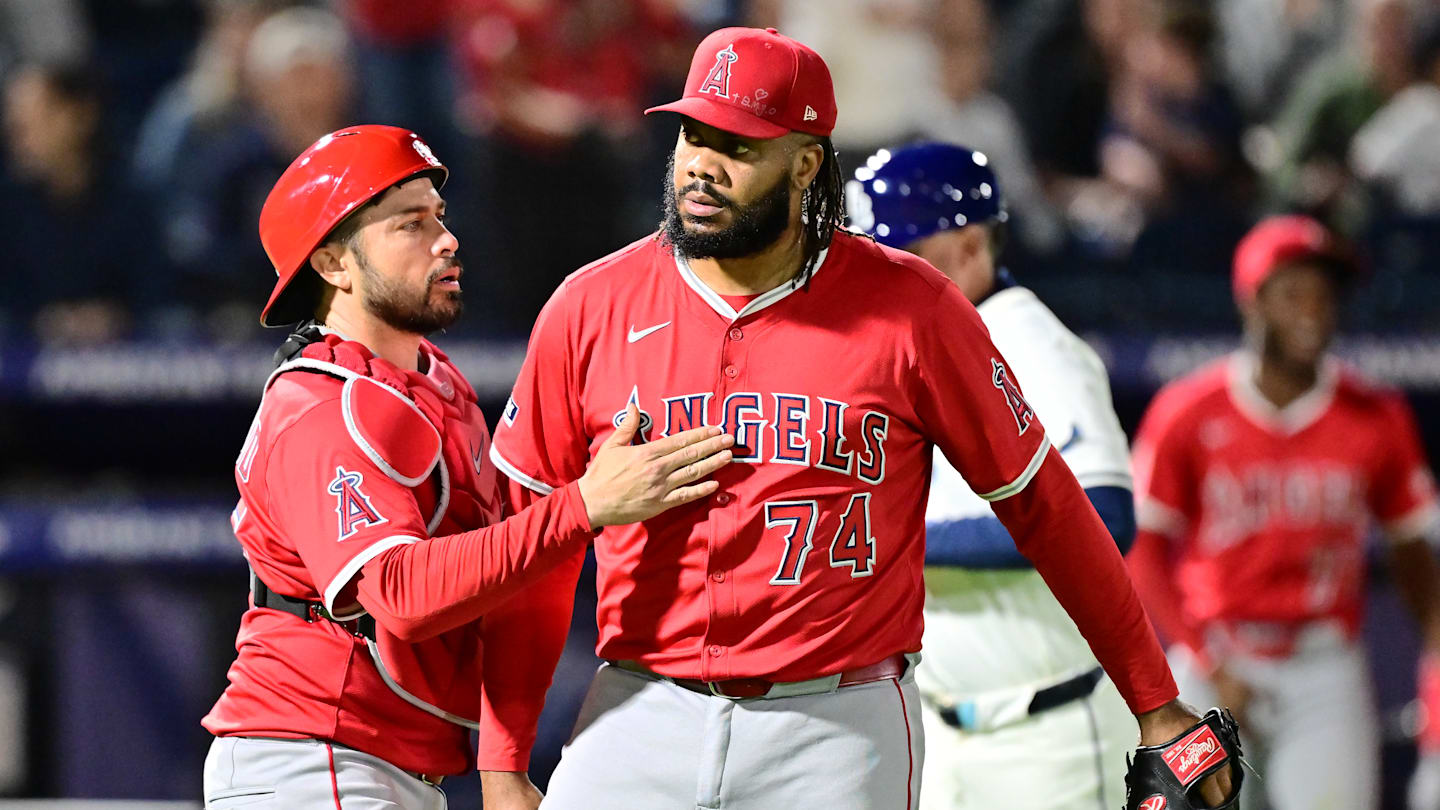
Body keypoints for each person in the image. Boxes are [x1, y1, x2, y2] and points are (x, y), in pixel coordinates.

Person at [490, 27, 1233, 808]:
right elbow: (535, 552)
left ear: (805, 164)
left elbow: (1049, 508)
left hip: (836, 721)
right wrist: (502, 761)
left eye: (738, 146)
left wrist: (1155, 703)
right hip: (640, 704)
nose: (703, 164)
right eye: (693, 135)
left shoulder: (913, 309)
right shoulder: (590, 306)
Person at [200, 124, 735, 810]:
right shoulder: (322, 408)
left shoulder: (436, 382)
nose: (446, 240)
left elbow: (505, 571)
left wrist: (501, 763)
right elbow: (399, 596)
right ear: (333, 265)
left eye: (439, 217)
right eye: (410, 224)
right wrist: (584, 504)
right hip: (312, 755)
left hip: (383, 765)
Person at [848, 142, 1138, 809]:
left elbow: (1104, 518)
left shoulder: (1033, 346)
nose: (878, 272)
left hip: (1049, 736)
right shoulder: (911, 346)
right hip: (938, 733)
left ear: (971, 246)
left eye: (900, 252)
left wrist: (911, 538)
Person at [1128, 214, 1440, 810]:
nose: (1313, 311)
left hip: (1323, 663)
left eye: (1325, 296)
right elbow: (1142, 549)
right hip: (1214, 652)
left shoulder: (1376, 413)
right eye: (1294, 293)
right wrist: (1206, 657)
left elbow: (1410, 549)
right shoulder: (1188, 409)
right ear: (1252, 300)